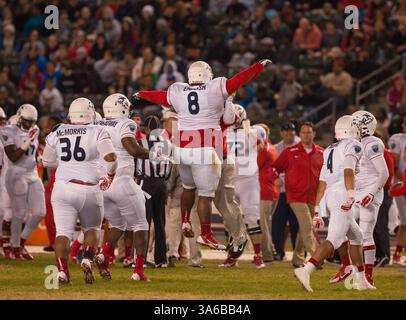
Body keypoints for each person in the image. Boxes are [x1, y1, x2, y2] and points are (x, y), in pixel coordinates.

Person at [134, 59, 273, 250]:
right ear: (208, 75)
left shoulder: (179, 90)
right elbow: (240, 79)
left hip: (182, 148)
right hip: (205, 148)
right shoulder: (215, 88)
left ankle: (185, 221)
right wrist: (258, 66)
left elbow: (160, 96)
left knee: (189, 188)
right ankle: (206, 234)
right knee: (205, 196)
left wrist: (142, 94)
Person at [294, 115, 375, 292]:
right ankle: (306, 270)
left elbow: (322, 184)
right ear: (351, 129)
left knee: (357, 236)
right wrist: (351, 195)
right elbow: (348, 172)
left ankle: (361, 280)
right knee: (334, 240)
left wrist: (317, 211)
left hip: (330, 195)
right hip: (342, 195)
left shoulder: (329, 149)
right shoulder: (353, 145)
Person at [42, 98, 118, 284]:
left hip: (62, 187)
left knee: (63, 233)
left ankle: (61, 272)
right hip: (88, 188)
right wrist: (110, 174)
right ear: (91, 113)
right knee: (92, 229)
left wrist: (69, 165)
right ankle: (86, 258)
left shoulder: (58, 130)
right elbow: (111, 158)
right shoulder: (98, 130)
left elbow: (47, 162)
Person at [94, 93, 152, 282]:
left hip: (102, 183)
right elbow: (133, 149)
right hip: (122, 180)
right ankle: (138, 271)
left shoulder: (98, 124)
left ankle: (104, 254)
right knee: (140, 225)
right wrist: (155, 154)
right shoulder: (125, 124)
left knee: (118, 224)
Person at [330, 111, 389, 286]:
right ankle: (346, 266)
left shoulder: (372, 143)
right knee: (342, 228)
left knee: (365, 234)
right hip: (356, 192)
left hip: (371, 192)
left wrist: (371, 193)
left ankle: (368, 276)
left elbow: (384, 173)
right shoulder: (353, 143)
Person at [271, 122, 324, 267]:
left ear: (314, 134)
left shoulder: (321, 153)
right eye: (304, 132)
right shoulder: (290, 151)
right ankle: (316, 258)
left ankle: (297, 259)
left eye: (309, 132)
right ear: (300, 135)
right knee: (308, 225)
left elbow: (327, 175)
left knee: (303, 229)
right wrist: (275, 178)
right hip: (295, 196)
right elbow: (275, 167)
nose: (306, 135)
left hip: (314, 196)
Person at [0, 104, 45, 260]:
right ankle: (13, 246)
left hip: (32, 173)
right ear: (19, 118)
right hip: (15, 173)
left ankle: (20, 242)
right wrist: (27, 141)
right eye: (26, 121)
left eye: (32, 121)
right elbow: (13, 157)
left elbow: (34, 147)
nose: (29, 124)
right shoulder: (8, 130)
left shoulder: (35, 128)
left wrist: (38, 156)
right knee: (17, 213)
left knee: (40, 212)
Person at [226, 105, 265, 268]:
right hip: (229, 180)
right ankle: (232, 256)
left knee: (251, 218)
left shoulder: (252, 131)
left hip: (248, 180)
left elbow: (261, 145)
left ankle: (258, 255)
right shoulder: (224, 133)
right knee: (229, 220)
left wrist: (251, 134)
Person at [135, 115, 173, 268]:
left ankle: (141, 259)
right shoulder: (168, 144)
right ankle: (161, 259)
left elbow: (135, 165)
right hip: (161, 183)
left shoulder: (140, 142)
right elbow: (170, 167)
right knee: (159, 221)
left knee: (144, 222)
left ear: (148, 129)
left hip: (146, 183)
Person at [272, 122, 300, 261]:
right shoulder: (276, 148)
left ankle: (298, 253)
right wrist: (276, 177)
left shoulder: (301, 145)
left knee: (296, 224)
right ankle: (279, 251)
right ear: (281, 133)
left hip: (298, 191)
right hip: (283, 191)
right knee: (277, 223)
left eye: (292, 131)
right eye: (286, 131)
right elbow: (272, 167)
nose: (289, 133)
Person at [255, 123, 279, 263]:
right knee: (265, 223)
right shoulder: (271, 148)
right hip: (269, 190)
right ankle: (271, 249)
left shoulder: (264, 151)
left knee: (262, 224)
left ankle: (267, 254)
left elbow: (252, 166)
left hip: (264, 190)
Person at [388, 118, 406, 265]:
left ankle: (398, 254)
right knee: (405, 221)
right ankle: (397, 254)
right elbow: (394, 166)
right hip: (401, 183)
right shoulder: (397, 139)